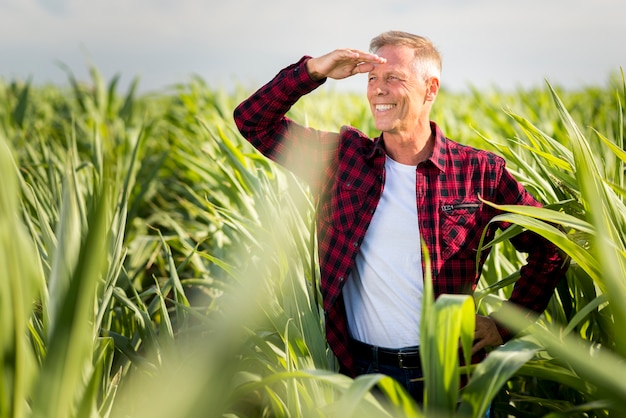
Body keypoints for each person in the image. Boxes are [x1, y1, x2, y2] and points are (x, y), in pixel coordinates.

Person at [233, 30, 567, 402]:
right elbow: (253, 122)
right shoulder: (343, 160)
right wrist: (314, 70)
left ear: (430, 89)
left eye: (393, 78)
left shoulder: (479, 172)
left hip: (451, 378)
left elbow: (551, 245)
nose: (378, 89)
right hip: (360, 379)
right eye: (372, 78)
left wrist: (504, 325)